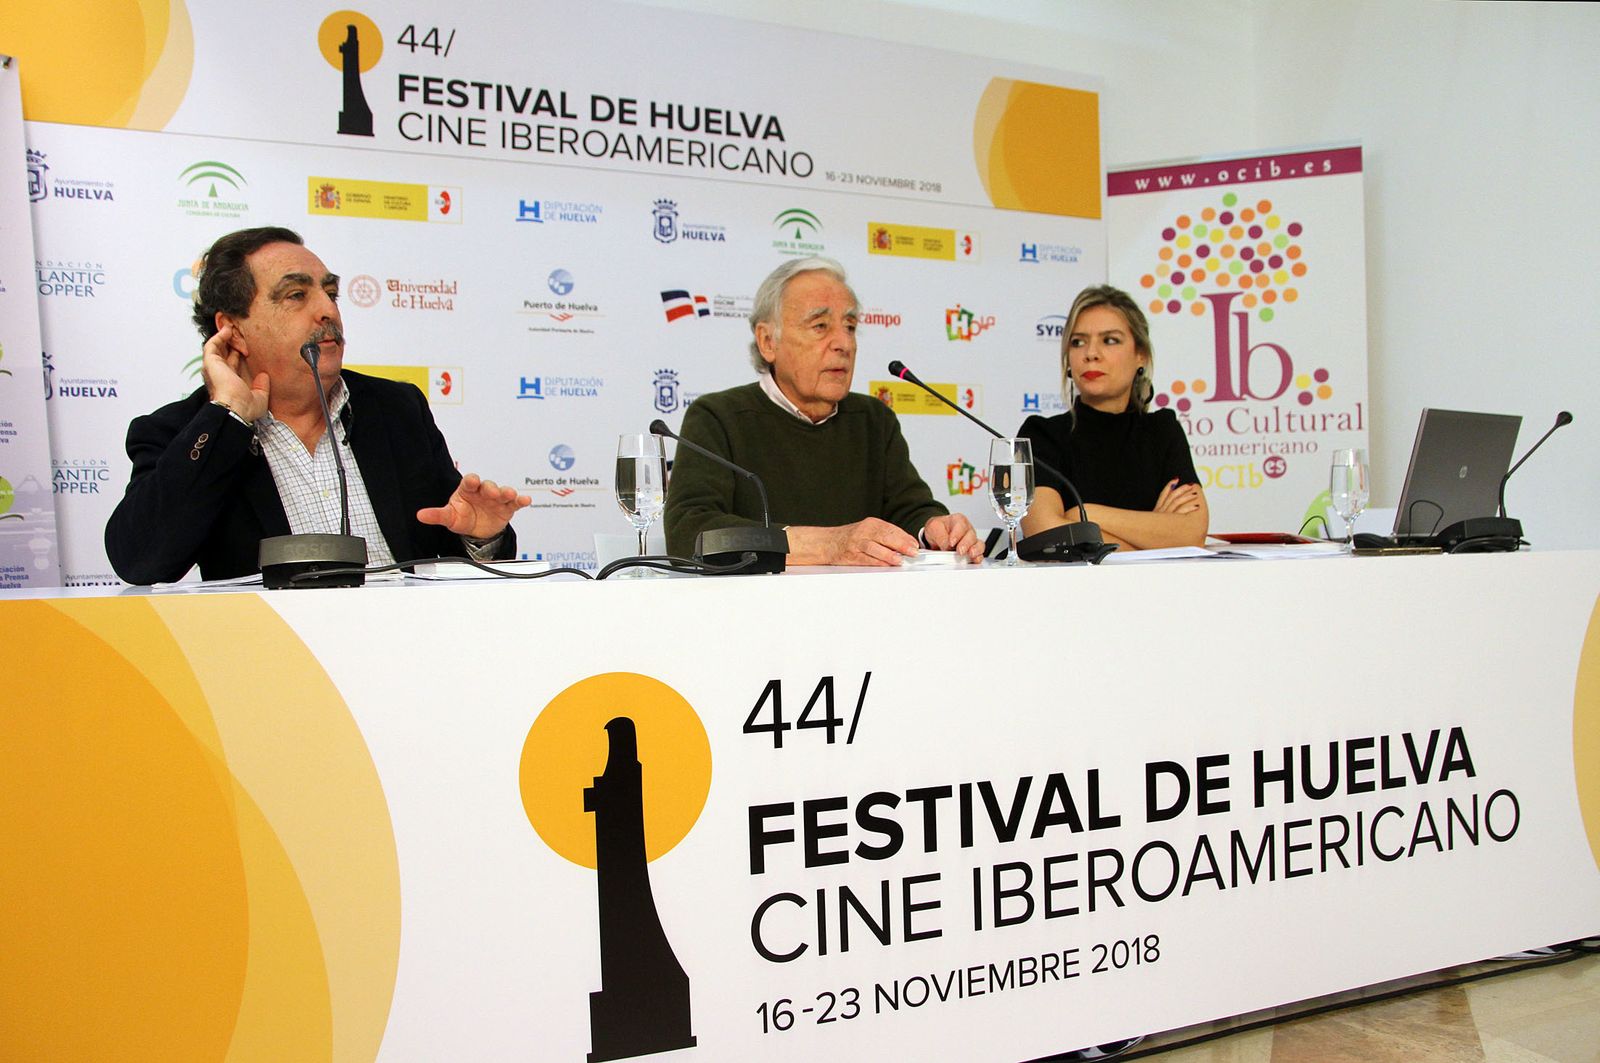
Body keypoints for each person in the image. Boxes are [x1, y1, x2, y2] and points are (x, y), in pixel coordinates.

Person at [104, 226, 529, 584]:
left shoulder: (396, 409)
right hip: (278, 663)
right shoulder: (182, 432)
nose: (327, 310)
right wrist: (229, 414)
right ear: (232, 329)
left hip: (412, 649)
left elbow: (443, 542)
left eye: (330, 293)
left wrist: (480, 538)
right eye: (295, 296)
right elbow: (140, 561)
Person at [664, 257, 982, 565]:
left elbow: (909, 510)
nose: (843, 343)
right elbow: (690, 530)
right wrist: (829, 545)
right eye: (820, 326)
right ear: (767, 342)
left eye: (850, 326)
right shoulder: (717, 418)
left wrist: (935, 529)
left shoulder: (873, 419)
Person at [1018, 285, 1207, 550]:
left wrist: (1083, 516)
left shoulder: (1163, 430)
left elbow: (1191, 534)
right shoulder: (1042, 434)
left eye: (1110, 340)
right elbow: (1046, 534)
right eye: (1078, 341)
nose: (1091, 353)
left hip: (1160, 590)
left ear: (1141, 354)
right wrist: (1156, 531)